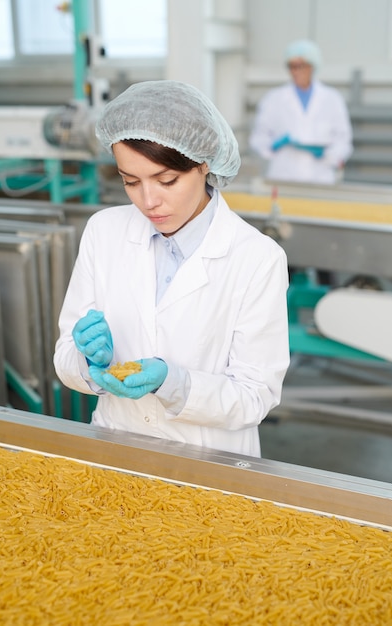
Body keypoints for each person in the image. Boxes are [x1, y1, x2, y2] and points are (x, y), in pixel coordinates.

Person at [53, 80, 290, 458]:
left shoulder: (257, 258)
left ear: (203, 164)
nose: (148, 201)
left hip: (210, 461)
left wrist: (173, 383)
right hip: (117, 445)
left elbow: (254, 396)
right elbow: (65, 356)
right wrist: (87, 362)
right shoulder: (104, 231)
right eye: (130, 181)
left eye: (167, 180)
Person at [249, 39, 353, 184]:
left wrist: (329, 155)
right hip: (283, 177)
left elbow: (343, 140)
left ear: (313, 66)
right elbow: (258, 138)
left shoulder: (332, 99)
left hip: (321, 178)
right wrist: (273, 145)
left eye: (301, 66)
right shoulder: (273, 99)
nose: (296, 71)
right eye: (292, 66)